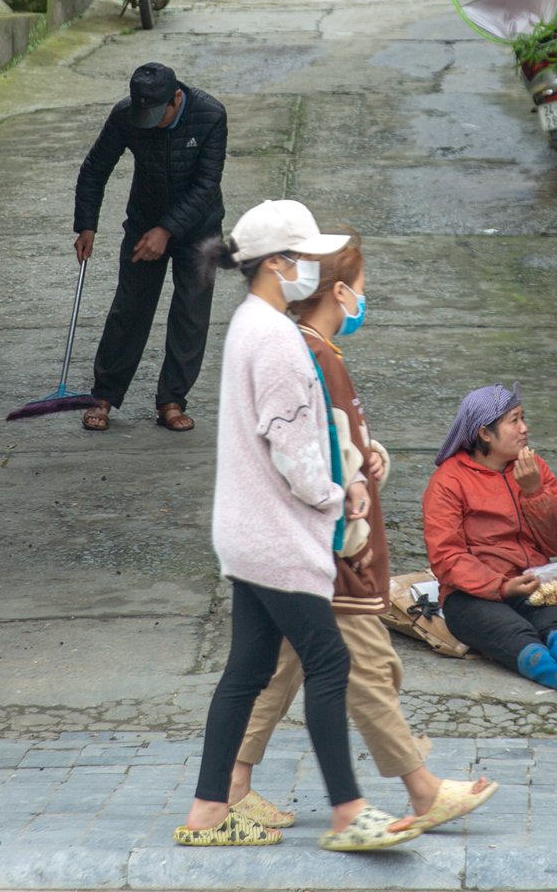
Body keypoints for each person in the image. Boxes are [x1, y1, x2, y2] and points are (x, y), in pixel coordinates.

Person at [228, 232, 498, 838]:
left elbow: (331, 442)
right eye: (362, 288)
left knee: (284, 664)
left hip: (310, 542)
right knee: (368, 666)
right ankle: (420, 790)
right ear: (341, 291)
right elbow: (301, 454)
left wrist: (367, 454)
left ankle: (233, 784)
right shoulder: (312, 355)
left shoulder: (316, 350)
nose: (364, 301)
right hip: (330, 546)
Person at [176, 201, 409, 851]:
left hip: (248, 533)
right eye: (305, 257)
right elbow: (294, 450)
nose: (312, 267)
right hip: (278, 536)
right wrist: (343, 493)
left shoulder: (251, 323)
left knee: (247, 668)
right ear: (278, 264)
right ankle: (348, 810)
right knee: (329, 659)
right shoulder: (277, 339)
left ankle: (207, 810)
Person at [421, 386, 557, 702]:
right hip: (470, 596)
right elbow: (446, 557)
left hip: (532, 581)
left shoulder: (535, 469)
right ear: (485, 434)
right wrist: (501, 587)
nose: (525, 428)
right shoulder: (448, 482)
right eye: (514, 420)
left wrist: (535, 492)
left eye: (523, 418)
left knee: (555, 621)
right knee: (515, 634)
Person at [73, 62, 227, 434]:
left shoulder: (210, 115)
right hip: (145, 220)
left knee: (191, 314)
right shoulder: (127, 115)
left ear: (177, 98)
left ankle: (171, 400)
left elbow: (206, 184)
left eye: (159, 115)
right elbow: (96, 167)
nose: (151, 123)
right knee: (130, 307)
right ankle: (104, 395)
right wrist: (86, 224)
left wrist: (168, 230)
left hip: (200, 228)